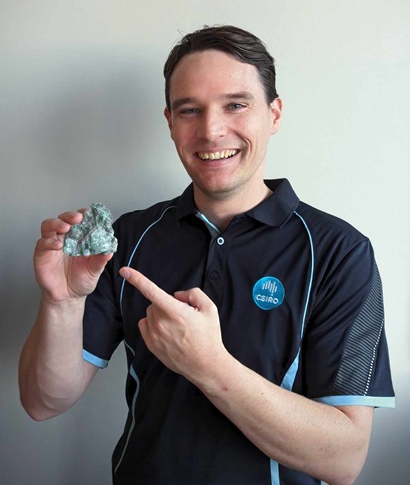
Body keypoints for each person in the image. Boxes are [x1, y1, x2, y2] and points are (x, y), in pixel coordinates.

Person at [19, 25, 395, 485]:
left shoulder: (341, 252)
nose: (212, 130)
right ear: (171, 122)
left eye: (235, 105)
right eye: (189, 110)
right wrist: (62, 301)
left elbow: (344, 459)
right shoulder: (130, 237)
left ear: (274, 113)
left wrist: (209, 365)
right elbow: (43, 402)